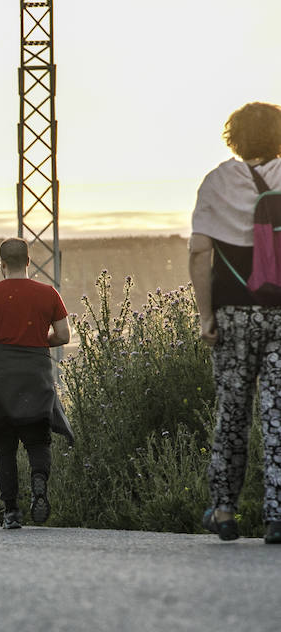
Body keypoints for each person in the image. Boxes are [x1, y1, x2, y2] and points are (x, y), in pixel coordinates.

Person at [189, 102, 281, 544]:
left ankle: (225, 511)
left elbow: (199, 252)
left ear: (234, 137)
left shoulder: (218, 181)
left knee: (233, 411)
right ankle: (278, 514)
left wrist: (206, 316)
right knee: (278, 413)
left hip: (233, 311)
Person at [0, 238, 74, 529]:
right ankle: (39, 482)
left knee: (4, 448)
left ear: (2, 264)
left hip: (1, 378)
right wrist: (38, 342)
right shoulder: (48, 293)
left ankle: (11, 512)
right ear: (28, 262)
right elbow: (63, 335)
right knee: (38, 440)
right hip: (35, 375)